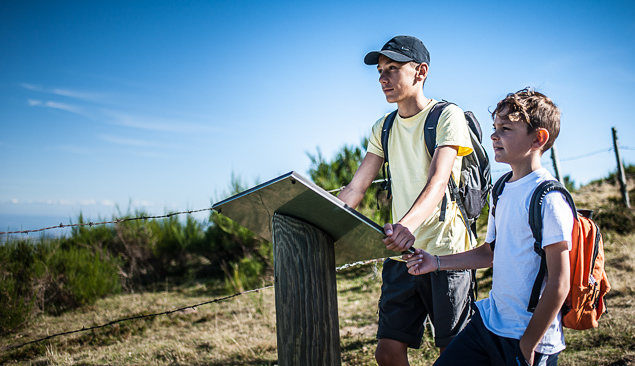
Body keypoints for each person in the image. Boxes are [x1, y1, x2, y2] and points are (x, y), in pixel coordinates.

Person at [404, 88, 573, 365]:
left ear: (538, 138)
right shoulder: (501, 188)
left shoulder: (549, 198)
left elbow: (559, 283)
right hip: (488, 325)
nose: (494, 136)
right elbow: (490, 253)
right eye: (495, 128)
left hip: (530, 339)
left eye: (506, 129)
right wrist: (435, 262)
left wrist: (528, 344)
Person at [336, 35, 475, 366]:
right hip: (402, 258)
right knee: (387, 352)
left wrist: (406, 226)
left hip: (446, 253)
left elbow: (438, 180)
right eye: (380, 71)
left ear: (420, 72)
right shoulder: (383, 127)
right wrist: (325, 224)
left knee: (453, 354)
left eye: (393, 69)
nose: (383, 78)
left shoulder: (447, 116)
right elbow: (356, 188)